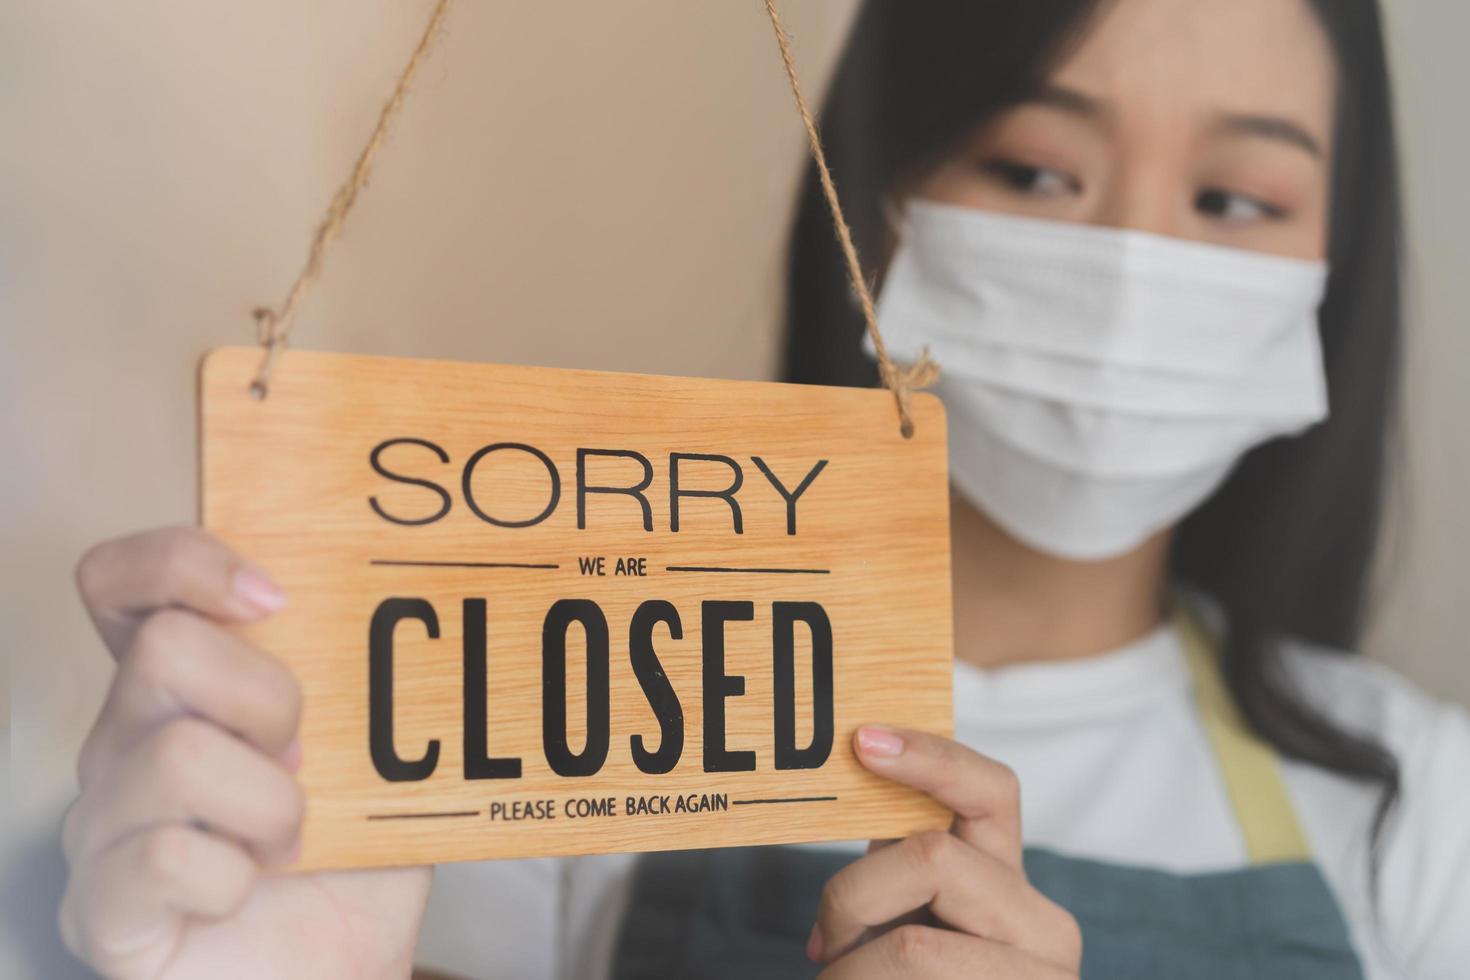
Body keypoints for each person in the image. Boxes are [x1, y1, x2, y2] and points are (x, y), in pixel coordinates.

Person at [59, 0, 1470, 977]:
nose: (1128, 267)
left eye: (1233, 202)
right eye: (1035, 167)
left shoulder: (1423, 811)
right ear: (880, 199)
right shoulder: (558, 702)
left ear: (1336, 266)